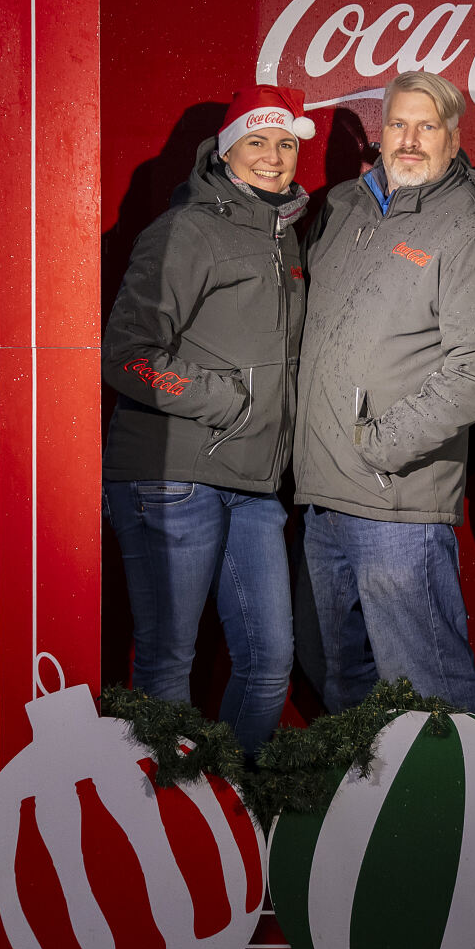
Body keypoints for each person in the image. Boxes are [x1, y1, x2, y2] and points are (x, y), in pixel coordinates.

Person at [293, 70, 475, 713]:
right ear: (381, 134)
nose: (410, 141)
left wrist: (380, 445)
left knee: (427, 689)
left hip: (397, 500)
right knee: (337, 682)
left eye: (428, 127)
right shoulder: (341, 209)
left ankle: (462, 812)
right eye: (398, 124)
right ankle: (370, 810)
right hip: (320, 497)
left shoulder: (470, 230)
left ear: (454, 140)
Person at [102, 85, 314, 756]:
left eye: (285, 144)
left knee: (268, 662)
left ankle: (224, 802)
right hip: (174, 475)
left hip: (253, 482)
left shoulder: (286, 236)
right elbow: (127, 356)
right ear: (225, 153)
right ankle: (158, 823)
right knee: (168, 662)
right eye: (257, 142)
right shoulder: (187, 229)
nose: (273, 157)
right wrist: (229, 401)